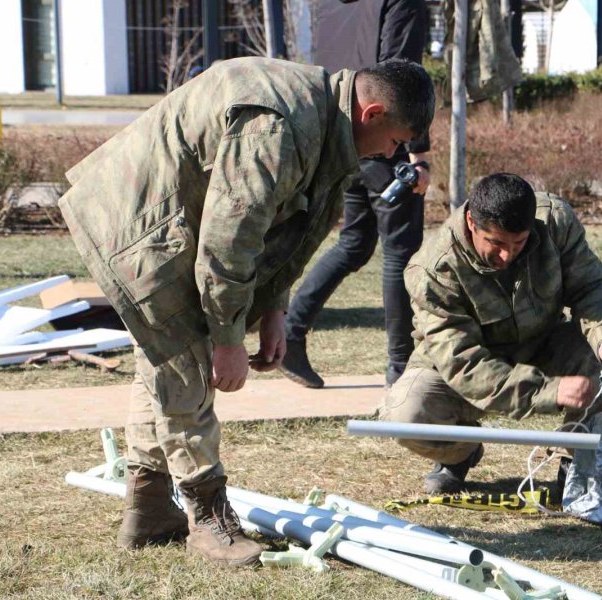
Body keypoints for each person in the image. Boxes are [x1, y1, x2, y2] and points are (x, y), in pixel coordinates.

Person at [58, 57, 434, 567]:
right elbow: (228, 241)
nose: (394, 154)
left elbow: (286, 227)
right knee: (187, 365)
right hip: (142, 224)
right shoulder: (278, 127)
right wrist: (227, 339)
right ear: (370, 113)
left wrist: (275, 307)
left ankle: (148, 508)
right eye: (395, 141)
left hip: (173, 220)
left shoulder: (324, 118)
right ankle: (208, 518)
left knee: (164, 362)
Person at [379, 173, 602, 494]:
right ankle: (460, 453)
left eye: (519, 243)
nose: (506, 255)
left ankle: (579, 460)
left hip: (543, 344)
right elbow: (462, 363)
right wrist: (546, 391)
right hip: (466, 365)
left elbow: (592, 287)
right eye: (496, 243)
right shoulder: (433, 269)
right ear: (472, 222)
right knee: (405, 414)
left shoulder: (554, 223)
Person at [280, 0, 431, 389]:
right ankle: (400, 369)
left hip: (343, 131)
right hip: (385, 137)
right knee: (402, 252)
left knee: (355, 242)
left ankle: (291, 334)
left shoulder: (329, 5)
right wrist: (419, 153)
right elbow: (403, 77)